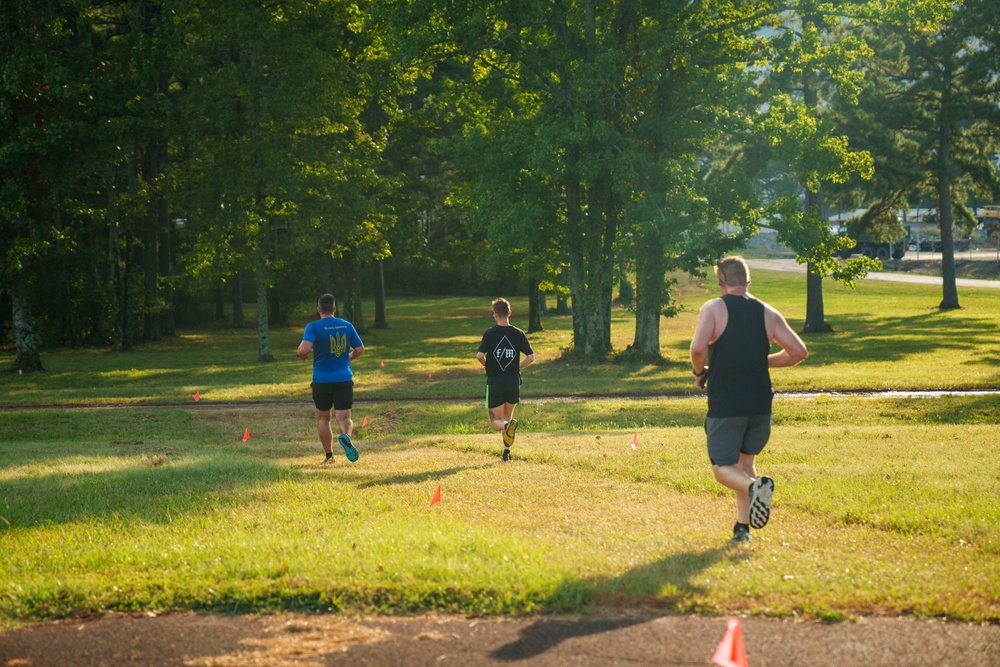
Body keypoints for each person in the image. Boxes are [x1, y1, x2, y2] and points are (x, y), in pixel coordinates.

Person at [689, 256, 808, 543]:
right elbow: (798, 352)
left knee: (722, 469)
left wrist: (698, 372)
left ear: (721, 283)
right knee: (744, 463)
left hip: (728, 402)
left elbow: (697, 348)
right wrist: (759, 361)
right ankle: (742, 529)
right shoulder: (768, 312)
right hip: (759, 403)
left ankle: (755, 488)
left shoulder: (714, 308)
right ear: (748, 281)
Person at [297, 293, 365, 463]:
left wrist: (301, 355)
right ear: (334, 309)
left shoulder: (313, 327)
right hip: (343, 378)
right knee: (344, 417)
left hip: (322, 380)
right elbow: (360, 349)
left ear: (319, 309)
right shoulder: (346, 325)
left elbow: (304, 350)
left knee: (324, 418)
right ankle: (345, 436)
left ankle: (329, 456)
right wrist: (347, 358)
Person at [476, 298, 536, 461]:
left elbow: (479, 355)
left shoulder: (490, 333)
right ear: (509, 313)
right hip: (513, 381)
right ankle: (506, 452)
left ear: (495, 314)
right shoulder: (518, 333)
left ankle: (506, 428)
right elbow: (531, 357)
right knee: (508, 417)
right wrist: (518, 367)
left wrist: (487, 365)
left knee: (497, 421)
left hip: (495, 381)